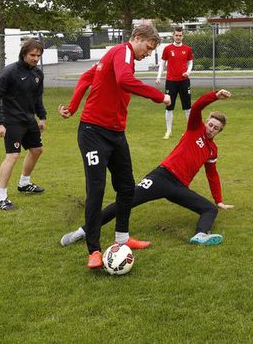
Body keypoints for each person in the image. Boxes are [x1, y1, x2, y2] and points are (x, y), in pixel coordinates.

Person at [60, 90, 235, 248]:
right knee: (125, 201)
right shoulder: (195, 128)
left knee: (210, 209)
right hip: (161, 176)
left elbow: (212, 175)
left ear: (220, 132)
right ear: (206, 123)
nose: (211, 129)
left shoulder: (212, 150)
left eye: (216, 129)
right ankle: (82, 232)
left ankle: (200, 234)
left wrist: (218, 200)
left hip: (179, 187)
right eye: (211, 125)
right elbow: (196, 107)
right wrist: (214, 96)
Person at [59, 24, 171, 269]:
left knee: (127, 187)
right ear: (137, 38)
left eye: (153, 51)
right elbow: (124, 80)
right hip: (92, 132)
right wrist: (158, 96)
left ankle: (123, 238)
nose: (148, 54)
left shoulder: (118, 56)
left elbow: (88, 76)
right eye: (148, 48)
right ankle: (94, 250)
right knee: (96, 190)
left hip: (116, 133)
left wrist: (72, 105)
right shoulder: (123, 52)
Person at [0, 39, 47, 211]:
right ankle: (1, 197)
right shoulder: (10, 72)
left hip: (29, 120)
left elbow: (37, 98)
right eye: (32, 55)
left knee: (37, 150)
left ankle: (24, 183)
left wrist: (41, 117)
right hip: (11, 121)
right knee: (12, 156)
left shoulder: (38, 74)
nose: (36, 59)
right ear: (24, 54)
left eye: (38, 55)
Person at [156, 26, 193, 139]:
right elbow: (162, 64)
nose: (178, 37)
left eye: (180, 35)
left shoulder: (187, 49)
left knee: (187, 107)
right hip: (171, 82)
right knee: (169, 106)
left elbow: (190, 63)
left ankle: (189, 132)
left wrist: (188, 72)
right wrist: (158, 77)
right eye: (176, 35)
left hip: (184, 82)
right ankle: (168, 131)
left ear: (183, 36)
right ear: (173, 36)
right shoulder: (167, 49)